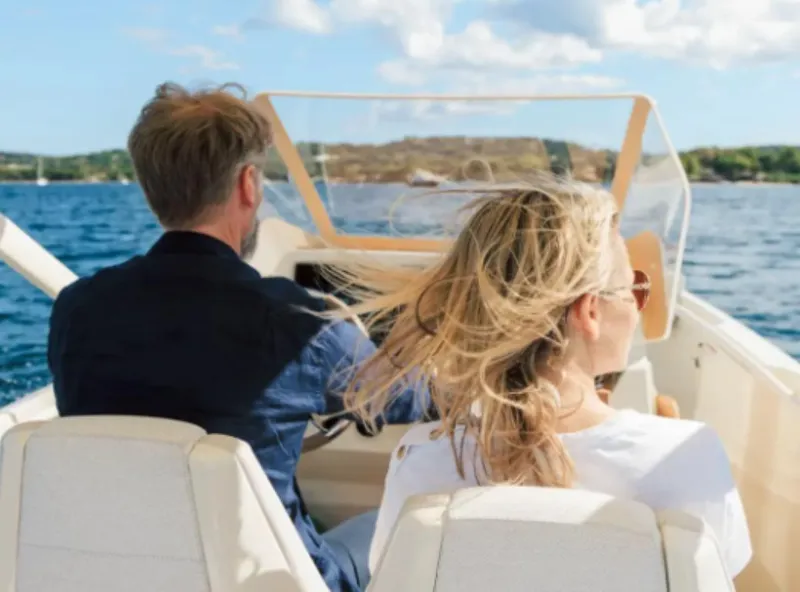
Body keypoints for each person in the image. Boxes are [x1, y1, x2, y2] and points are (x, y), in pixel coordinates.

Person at [47, 82, 431, 592]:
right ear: (248, 185)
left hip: (130, 570)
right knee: (394, 521)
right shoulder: (297, 321)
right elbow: (410, 398)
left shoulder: (76, 309)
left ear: (150, 188)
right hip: (263, 580)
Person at [325, 178, 753, 579]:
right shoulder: (686, 458)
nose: (638, 306)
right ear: (590, 311)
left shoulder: (422, 461)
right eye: (635, 289)